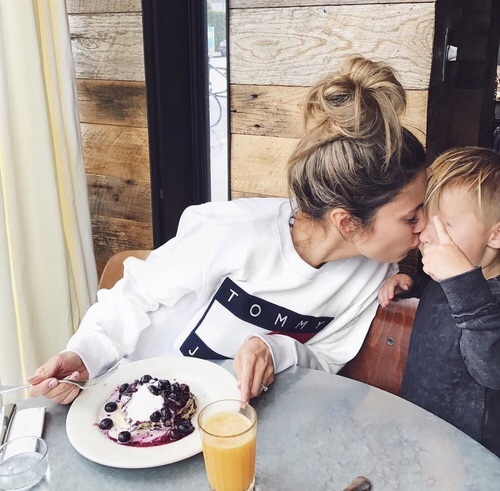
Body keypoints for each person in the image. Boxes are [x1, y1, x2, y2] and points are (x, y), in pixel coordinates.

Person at [29, 56, 427, 404]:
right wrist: (84, 354)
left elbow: (327, 358)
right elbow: (135, 296)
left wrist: (272, 349)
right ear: (347, 222)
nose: (424, 224)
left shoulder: (372, 276)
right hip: (137, 403)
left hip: (235, 423)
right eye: (412, 216)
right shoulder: (234, 232)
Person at [378, 147, 500, 457]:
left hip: (472, 455)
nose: (425, 234)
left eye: (443, 223)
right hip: (418, 429)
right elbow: (442, 306)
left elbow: (491, 369)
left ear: (496, 236)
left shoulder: (485, 296)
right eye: (424, 219)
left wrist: (462, 284)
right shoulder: (446, 278)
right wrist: (411, 284)